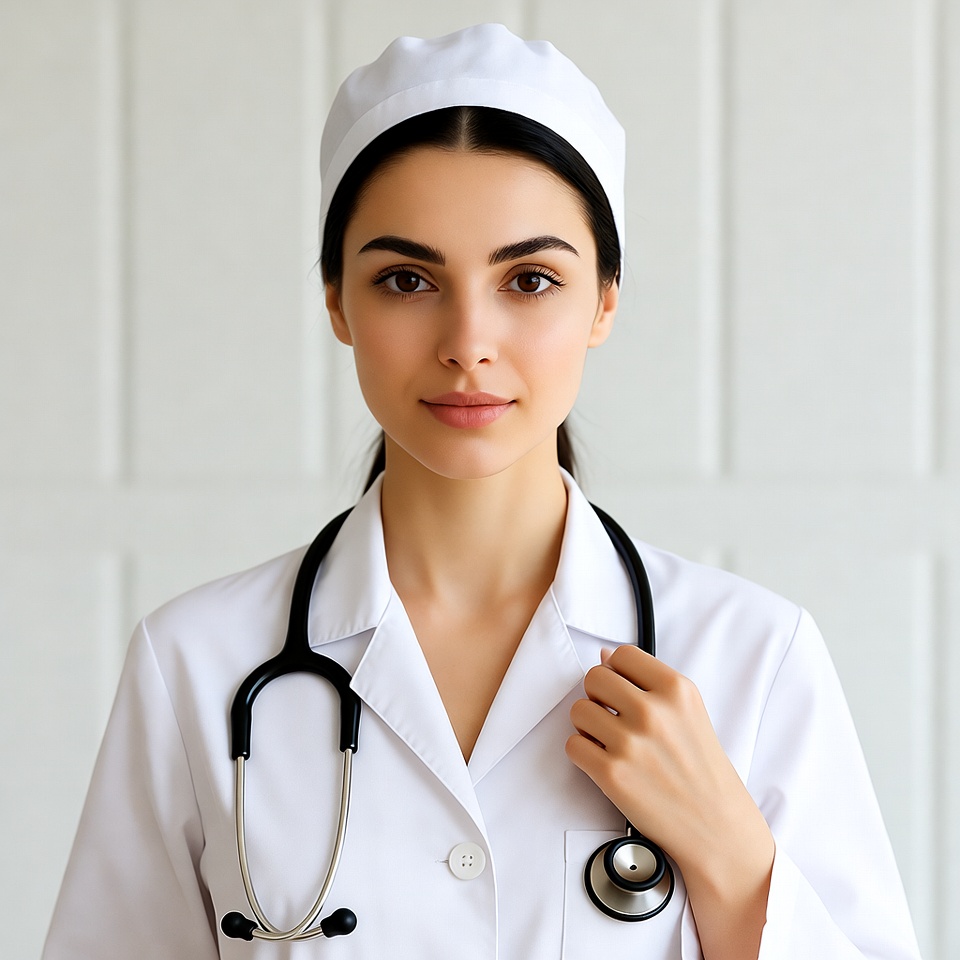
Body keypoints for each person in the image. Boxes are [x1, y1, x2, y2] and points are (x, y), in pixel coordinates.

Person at [43, 23, 920, 960]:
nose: (469, 341)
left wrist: (730, 855)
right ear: (337, 300)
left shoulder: (752, 658)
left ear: (605, 302)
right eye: (407, 279)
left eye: (530, 279)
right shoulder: (195, 667)